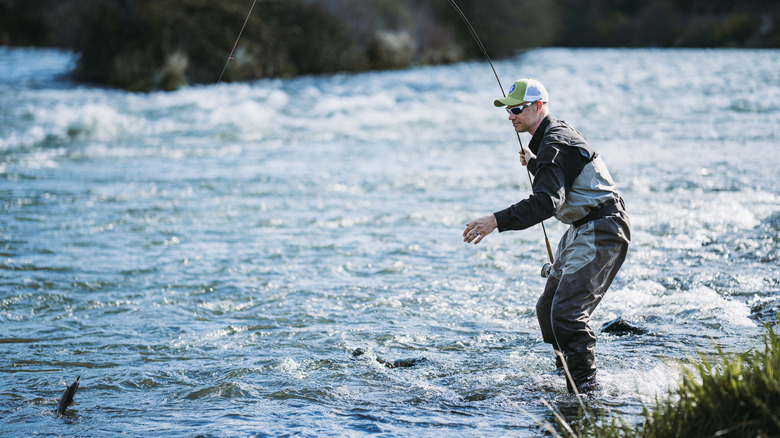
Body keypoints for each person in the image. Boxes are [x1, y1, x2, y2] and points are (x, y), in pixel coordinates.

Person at [462, 78, 630, 393]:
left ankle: (585, 391)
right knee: (547, 309)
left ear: (539, 107)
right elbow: (561, 173)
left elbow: (546, 202)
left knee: (566, 314)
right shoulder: (553, 138)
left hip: (604, 228)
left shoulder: (554, 142)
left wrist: (495, 221)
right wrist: (536, 163)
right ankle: (566, 373)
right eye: (507, 110)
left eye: (516, 109)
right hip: (584, 226)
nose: (510, 116)